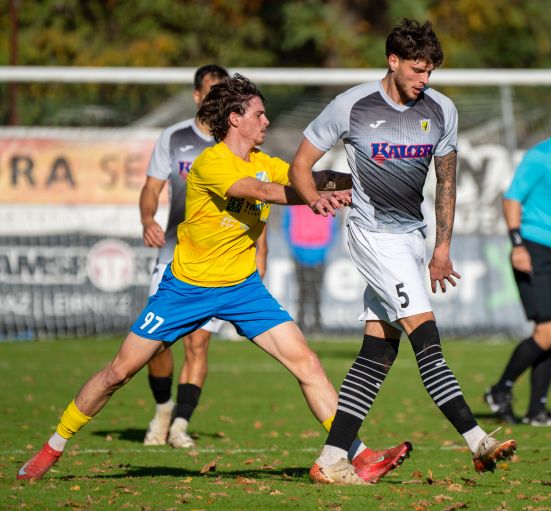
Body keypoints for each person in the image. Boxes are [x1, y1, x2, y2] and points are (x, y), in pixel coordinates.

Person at [16, 74, 410, 484]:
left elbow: (306, 176)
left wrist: (363, 180)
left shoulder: (263, 162)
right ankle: (52, 447)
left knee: (307, 363)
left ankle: (359, 454)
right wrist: (311, 197)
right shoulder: (211, 163)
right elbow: (262, 192)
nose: (267, 122)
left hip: (242, 290)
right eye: (259, 114)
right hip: (186, 289)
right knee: (119, 372)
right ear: (235, 118)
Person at [288, 19, 517, 485]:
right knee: (425, 335)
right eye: (417, 69)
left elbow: (446, 181)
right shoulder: (350, 106)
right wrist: (314, 198)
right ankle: (477, 441)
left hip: (413, 237)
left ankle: (332, 459)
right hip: (371, 234)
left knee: (378, 351)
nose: (424, 79)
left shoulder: (442, 110)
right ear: (392, 62)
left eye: (430, 71)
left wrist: (442, 248)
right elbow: (299, 165)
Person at [139, 64, 267, 449]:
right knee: (156, 345)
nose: (217, 98)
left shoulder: (244, 150)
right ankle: (163, 408)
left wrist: (260, 258)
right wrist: (148, 218)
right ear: (198, 96)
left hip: (221, 264)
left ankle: (179, 424)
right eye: (212, 91)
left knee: (198, 344)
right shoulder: (175, 138)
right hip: (175, 254)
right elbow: (150, 188)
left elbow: (259, 208)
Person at [483, 93, 551, 426]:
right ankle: (500, 389)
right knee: (547, 331)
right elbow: (511, 198)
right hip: (533, 248)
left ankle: (536, 410)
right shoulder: (541, 156)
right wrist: (518, 245)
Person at [282, 205, 337, 332]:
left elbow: (332, 229)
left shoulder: (325, 204)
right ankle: (302, 322)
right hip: (301, 251)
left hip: (317, 251)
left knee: (315, 290)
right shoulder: (295, 206)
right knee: (303, 290)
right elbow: (287, 226)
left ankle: (316, 323)